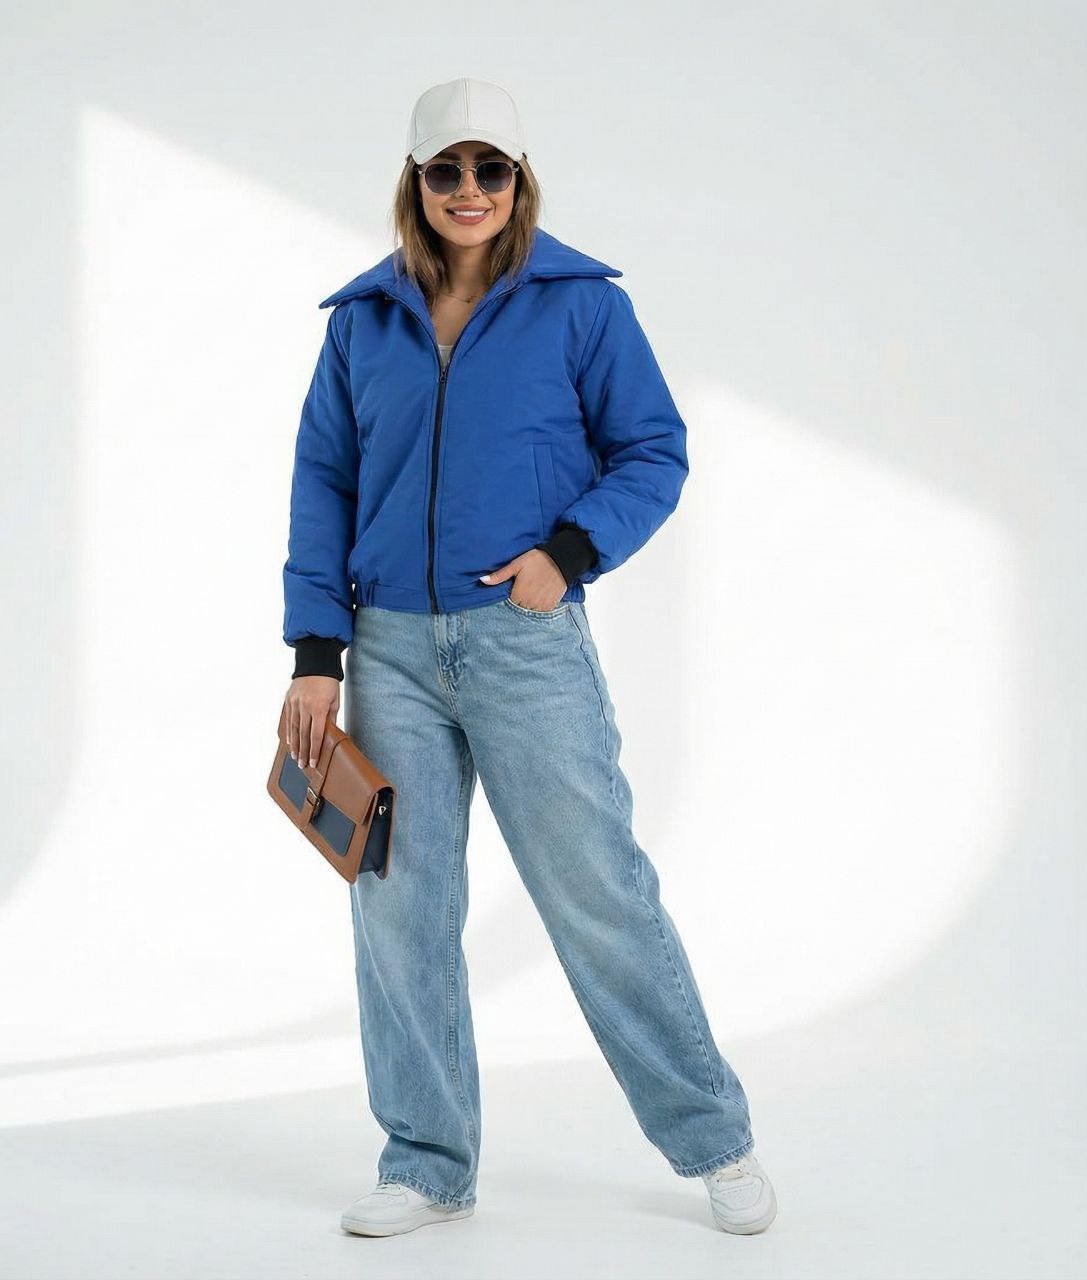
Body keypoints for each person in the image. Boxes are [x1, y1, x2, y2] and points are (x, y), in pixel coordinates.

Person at [280, 77, 777, 1239]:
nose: (468, 190)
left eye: (488, 169)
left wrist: (569, 551)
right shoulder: (362, 321)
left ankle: (715, 1138)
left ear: (518, 179)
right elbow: (323, 483)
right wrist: (315, 652)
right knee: (397, 906)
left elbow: (651, 448)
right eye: (445, 170)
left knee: (595, 890)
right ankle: (425, 1159)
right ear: (415, 181)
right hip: (389, 649)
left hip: (522, 641)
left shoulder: (579, 307)